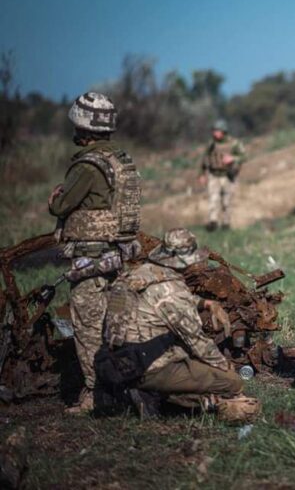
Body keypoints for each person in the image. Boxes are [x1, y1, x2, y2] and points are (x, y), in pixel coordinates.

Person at [98, 228, 260, 421]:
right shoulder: (173, 292)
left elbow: (158, 300)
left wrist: (204, 303)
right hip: (146, 366)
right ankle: (155, 395)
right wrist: (224, 365)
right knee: (231, 382)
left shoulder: (141, 273)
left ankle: (141, 390)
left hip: (113, 358)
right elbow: (197, 342)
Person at [48, 92, 142, 413]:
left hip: (90, 258)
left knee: (88, 326)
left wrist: (54, 200)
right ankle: (124, 387)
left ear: (81, 126)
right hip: (119, 255)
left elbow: (62, 204)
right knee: (115, 324)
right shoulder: (123, 161)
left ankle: (94, 395)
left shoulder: (88, 165)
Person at [199, 119, 245, 231]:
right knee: (213, 199)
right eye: (214, 130)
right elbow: (205, 159)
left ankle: (226, 223)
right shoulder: (211, 144)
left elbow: (244, 156)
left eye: (217, 131)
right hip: (214, 175)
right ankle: (213, 222)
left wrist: (233, 158)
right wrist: (202, 174)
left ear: (223, 131)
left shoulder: (234, 143)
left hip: (228, 175)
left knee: (227, 201)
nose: (215, 133)